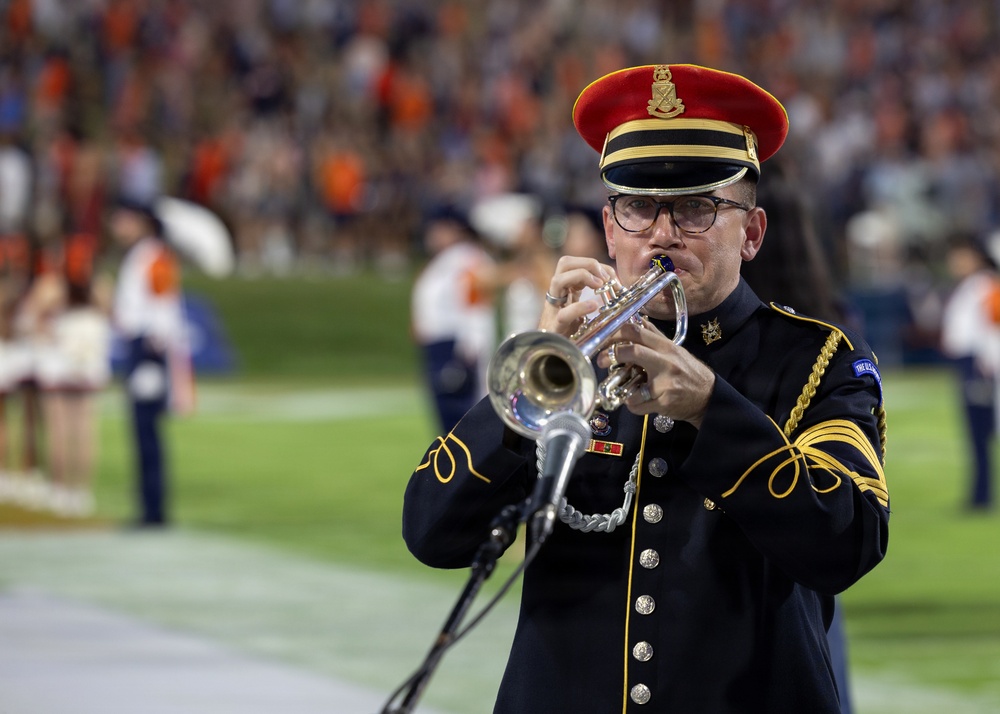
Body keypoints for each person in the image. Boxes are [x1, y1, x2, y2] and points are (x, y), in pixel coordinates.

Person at [402, 64, 889, 713]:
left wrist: (711, 408)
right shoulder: (572, 354)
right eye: (637, 208)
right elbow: (432, 535)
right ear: (609, 230)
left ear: (751, 233)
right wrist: (532, 382)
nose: (662, 233)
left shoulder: (820, 359)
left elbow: (848, 542)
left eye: (695, 207)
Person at [109, 197, 188, 528]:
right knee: (141, 431)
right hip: (139, 345)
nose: (116, 226)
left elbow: (163, 306)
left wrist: (153, 357)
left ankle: (154, 511)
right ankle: (149, 507)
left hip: (149, 348)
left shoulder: (154, 256)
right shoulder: (140, 256)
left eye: (123, 219)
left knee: (147, 430)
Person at [411, 205, 496, 434]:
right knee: (444, 422)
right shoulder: (442, 262)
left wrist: (472, 346)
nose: (432, 235)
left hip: (455, 346)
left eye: (438, 229)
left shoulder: (468, 259)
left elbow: (477, 306)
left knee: (461, 421)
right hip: (436, 347)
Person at [940, 233, 1000, 511]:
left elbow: (992, 327)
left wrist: (987, 361)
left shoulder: (984, 285)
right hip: (969, 362)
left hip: (979, 365)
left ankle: (982, 496)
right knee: (976, 434)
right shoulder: (970, 286)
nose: (956, 262)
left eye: (961, 256)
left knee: (981, 431)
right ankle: (980, 494)